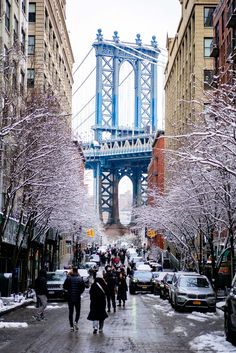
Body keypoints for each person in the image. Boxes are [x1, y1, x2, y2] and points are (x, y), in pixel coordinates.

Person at [63, 267, 85, 332]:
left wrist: (68, 291)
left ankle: (71, 326)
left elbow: (64, 286)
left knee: (71, 312)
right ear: (77, 271)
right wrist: (79, 293)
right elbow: (83, 288)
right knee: (78, 311)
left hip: (70, 297)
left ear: (72, 271)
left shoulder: (68, 279)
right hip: (77, 297)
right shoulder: (80, 279)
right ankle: (76, 321)